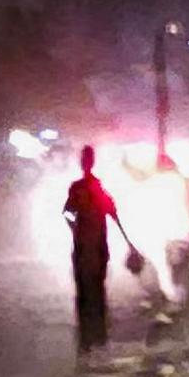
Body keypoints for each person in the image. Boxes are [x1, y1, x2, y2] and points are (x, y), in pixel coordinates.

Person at [61, 145, 141, 351]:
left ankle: (87, 336)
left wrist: (75, 230)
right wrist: (129, 244)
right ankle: (98, 335)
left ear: (83, 162)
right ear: (92, 162)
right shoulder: (98, 189)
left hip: (83, 248)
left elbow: (67, 213)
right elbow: (115, 217)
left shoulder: (78, 188)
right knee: (97, 289)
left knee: (84, 291)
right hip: (96, 248)